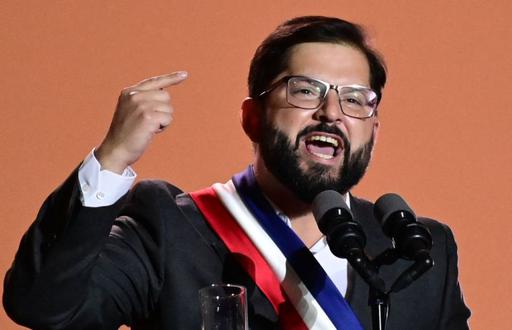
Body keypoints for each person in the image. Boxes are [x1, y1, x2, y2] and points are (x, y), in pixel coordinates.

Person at [3, 16, 470, 329]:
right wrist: (112, 156)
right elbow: (44, 307)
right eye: (305, 91)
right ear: (252, 117)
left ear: (373, 128)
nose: (331, 112)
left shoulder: (417, 251)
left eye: (354, 99)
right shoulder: (169, 228)